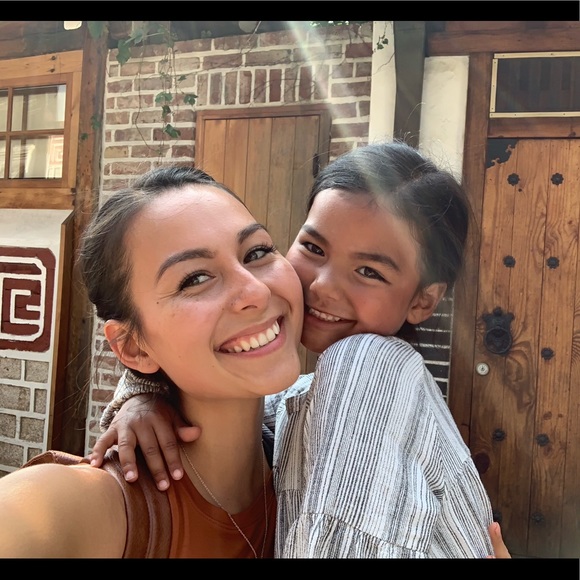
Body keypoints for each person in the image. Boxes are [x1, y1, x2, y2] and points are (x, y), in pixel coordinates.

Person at [92, 141, 510, 558]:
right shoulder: (303, 403)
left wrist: (143, 388)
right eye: (313, 249)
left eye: (369, 271)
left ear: (422, 301)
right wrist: (143, 393)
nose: (323, 286)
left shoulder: (367, 363)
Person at [0, 166, 306, 558]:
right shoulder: (89, 510)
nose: (257, 291)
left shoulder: (316, 453)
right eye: (195, 279)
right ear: (134, 348)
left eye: (257, 253)